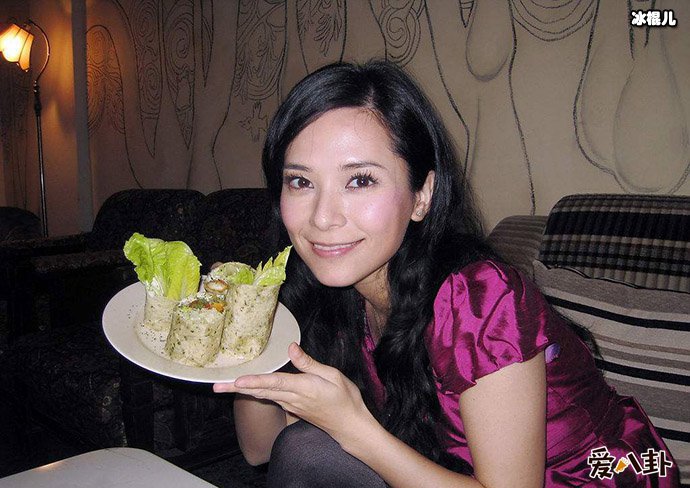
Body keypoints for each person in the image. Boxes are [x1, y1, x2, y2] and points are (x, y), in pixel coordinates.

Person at [213, 60, 679, 488]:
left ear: (422, 195)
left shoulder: (480, 300)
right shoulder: (334, 291)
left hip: (600, 479)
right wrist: (247, 331)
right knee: (305, 449)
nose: (322, 217)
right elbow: (260, 448)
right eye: (300, 181)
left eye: (360, 180)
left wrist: (354, 427)